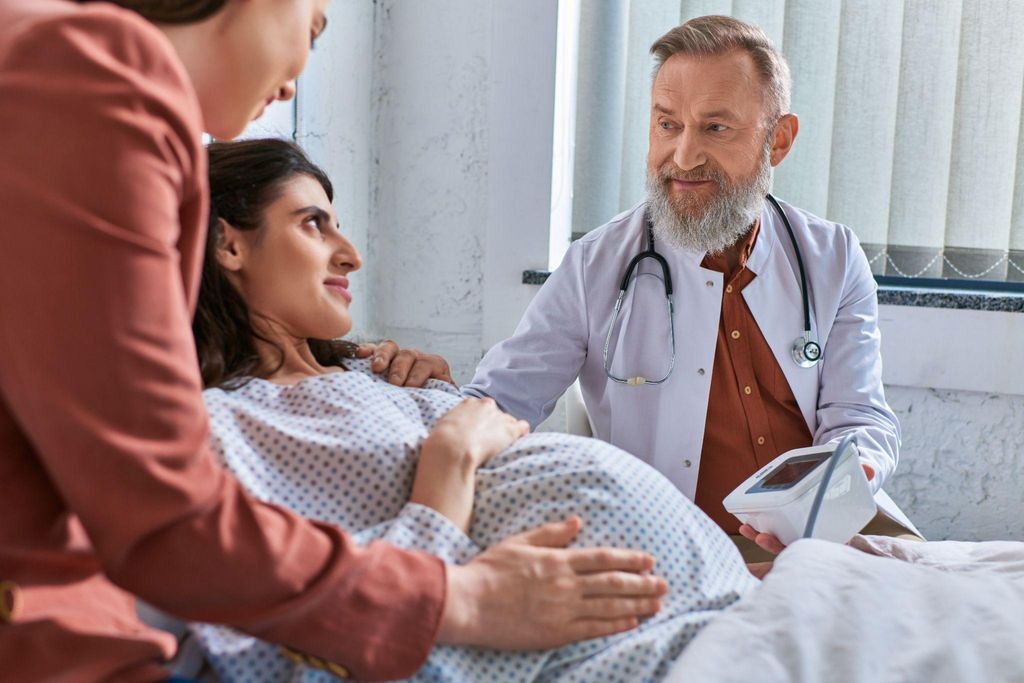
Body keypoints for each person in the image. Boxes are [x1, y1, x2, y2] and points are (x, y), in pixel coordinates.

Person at [0, 2, 664, 680]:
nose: (296, 77)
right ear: (228, 243)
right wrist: (457, 593)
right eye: (312, 26)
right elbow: (168, 521)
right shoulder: (92, 84)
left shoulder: (388, 371)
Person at [190, 136, 756, 682]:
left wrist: (441, 401)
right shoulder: (221, 431)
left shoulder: (373, 370)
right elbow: (296, 653)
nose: (351, 255)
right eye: (313, 223)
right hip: (637, 650)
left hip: (715, 604)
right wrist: (449, 461)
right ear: (229, 244)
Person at [462, 15, 920, 564]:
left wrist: (842, 481)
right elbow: (501, 401)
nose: (683, 157)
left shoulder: (833, 257)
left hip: (826, 536)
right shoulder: (595, 266)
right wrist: (417, 399)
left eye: (715, 128)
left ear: (779, 140)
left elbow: (860, 416)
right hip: (677, 548)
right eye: (667, 125)